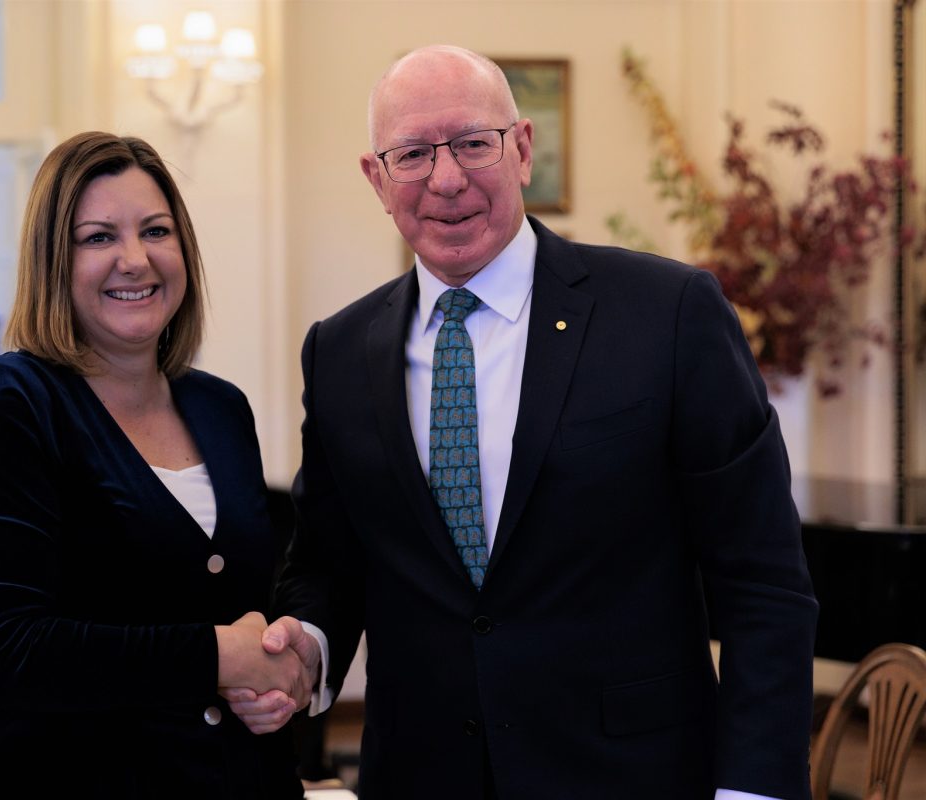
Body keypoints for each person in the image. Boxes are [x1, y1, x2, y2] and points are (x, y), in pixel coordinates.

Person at [225, 45, 818, 800]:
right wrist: (305, 648)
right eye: (412, 154)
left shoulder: (667, 315)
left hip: (634, 778)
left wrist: (754, 791)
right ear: (377, 179)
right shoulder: (339, 352)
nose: (446, 179)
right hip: (423, 778)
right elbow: (328, 565)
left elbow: (763, 581)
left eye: (473, 143)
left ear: (523, 149)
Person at [0, 132, 308, 798]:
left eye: (156, 231)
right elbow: (7, 653)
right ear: (52, 262)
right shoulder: (7, 405)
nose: (135, 259)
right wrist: (220, 655)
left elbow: (246, 602)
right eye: (98, 238)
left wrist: (277, 671)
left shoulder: (221, 409)